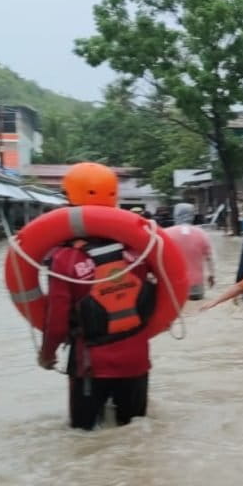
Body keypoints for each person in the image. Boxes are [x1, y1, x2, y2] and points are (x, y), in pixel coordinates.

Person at [38, 162, 155, 430]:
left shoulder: (65, 259)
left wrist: (47, 354)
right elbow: (160, 297)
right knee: (134, 438)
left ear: (69, 200)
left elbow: (56, 321)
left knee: (84, 441)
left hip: (91, 367)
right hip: (136, 362)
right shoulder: (139, 250)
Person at [164, 202, 215, 301]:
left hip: (174, 285)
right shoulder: (202, 233)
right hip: (197, 286)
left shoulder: (166, 234)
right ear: (192, 215)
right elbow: (209, 258)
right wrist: (211, 275)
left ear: (175, 214)